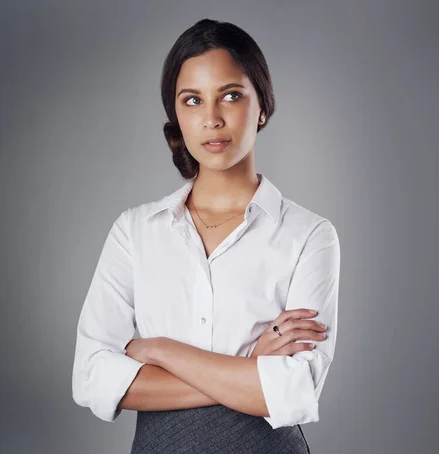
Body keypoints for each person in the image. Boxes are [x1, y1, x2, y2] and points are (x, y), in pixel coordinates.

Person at [71, 18, 340, 453]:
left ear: (263, 106)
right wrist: (248, 371)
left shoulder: (309, 235)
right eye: (192, 100)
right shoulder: (135, 232)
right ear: (176, 116)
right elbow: (92, 379)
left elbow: (293, 389)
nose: (212, 119)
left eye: (231, 96)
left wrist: (157, 349)